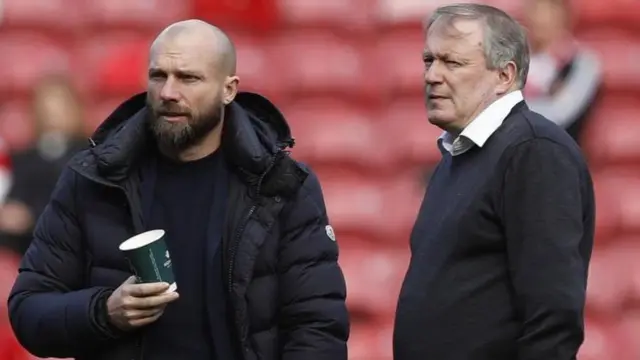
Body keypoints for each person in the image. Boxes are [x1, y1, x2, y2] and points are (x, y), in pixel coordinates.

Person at [8, 20, 349, 360]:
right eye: (158, 76)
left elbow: (317, 328)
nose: (168, 92)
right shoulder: (92, 179)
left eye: (189, 78)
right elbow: (29, 309)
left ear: (228, 90)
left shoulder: (281, 185)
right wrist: (103, 312)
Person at [393, 4, 594, 360]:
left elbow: (553, 313)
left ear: (504, 75)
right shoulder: (458, 157)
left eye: (452, 63)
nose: (432, 76)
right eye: (429, 61)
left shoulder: (534, 152)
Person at [0, 75, 87, 256]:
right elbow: (13, 203)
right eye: (46, 108)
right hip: (26, 249)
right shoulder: (22, 159)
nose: (52, 115)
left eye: (59, 107)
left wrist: (31, 216)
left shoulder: (89, 155)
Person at [522, 0, 601, 143]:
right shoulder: (512, 60)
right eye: (536, 8)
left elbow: (559, 113)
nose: (541, 17)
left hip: (560, 156)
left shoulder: (583, 64)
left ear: (565, 15)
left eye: (550, 9)